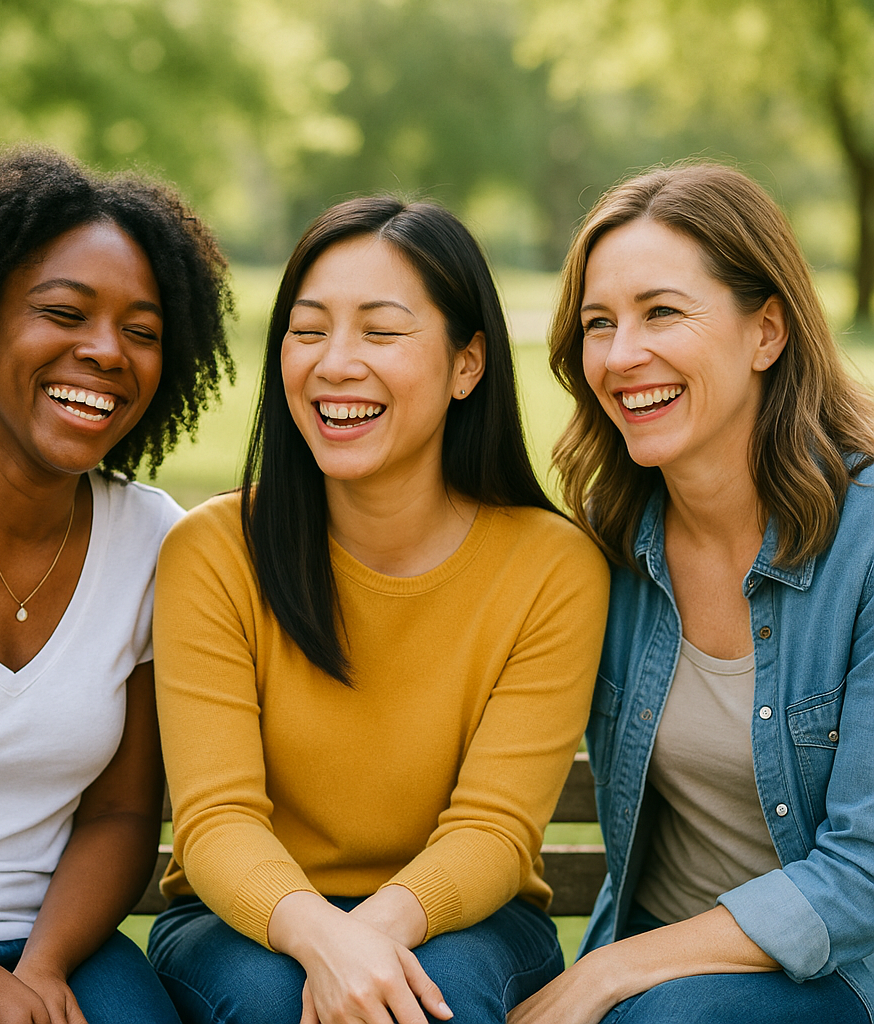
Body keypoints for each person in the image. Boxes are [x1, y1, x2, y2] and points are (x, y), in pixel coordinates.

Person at [146, 196, 610, 1024]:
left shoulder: (553, 567)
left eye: (381, 332)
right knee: (277, 1004)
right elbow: (216, 821)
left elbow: (495, 829)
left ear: (468, 365)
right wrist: (324, 939)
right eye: (309, 328)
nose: (335, 363)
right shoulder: (213, 552)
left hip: (468, 920)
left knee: (431, 1005)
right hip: (243, 921)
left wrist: (370, 939)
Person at [0, 147, 234, 1024]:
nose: (105, 352)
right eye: (64, 313)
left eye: (142, 332)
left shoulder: (152, 540)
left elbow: (123, 813)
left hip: (57, 941)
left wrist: (44, 966)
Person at [508, 162, 874, 1024]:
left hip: (834, 980)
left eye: (662, 311)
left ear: (767, 333)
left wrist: (604, 974)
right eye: (599, 323)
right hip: (648, 973)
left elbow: (864, 877)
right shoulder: (607, 542)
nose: (621, 354)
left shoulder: (865, 545)